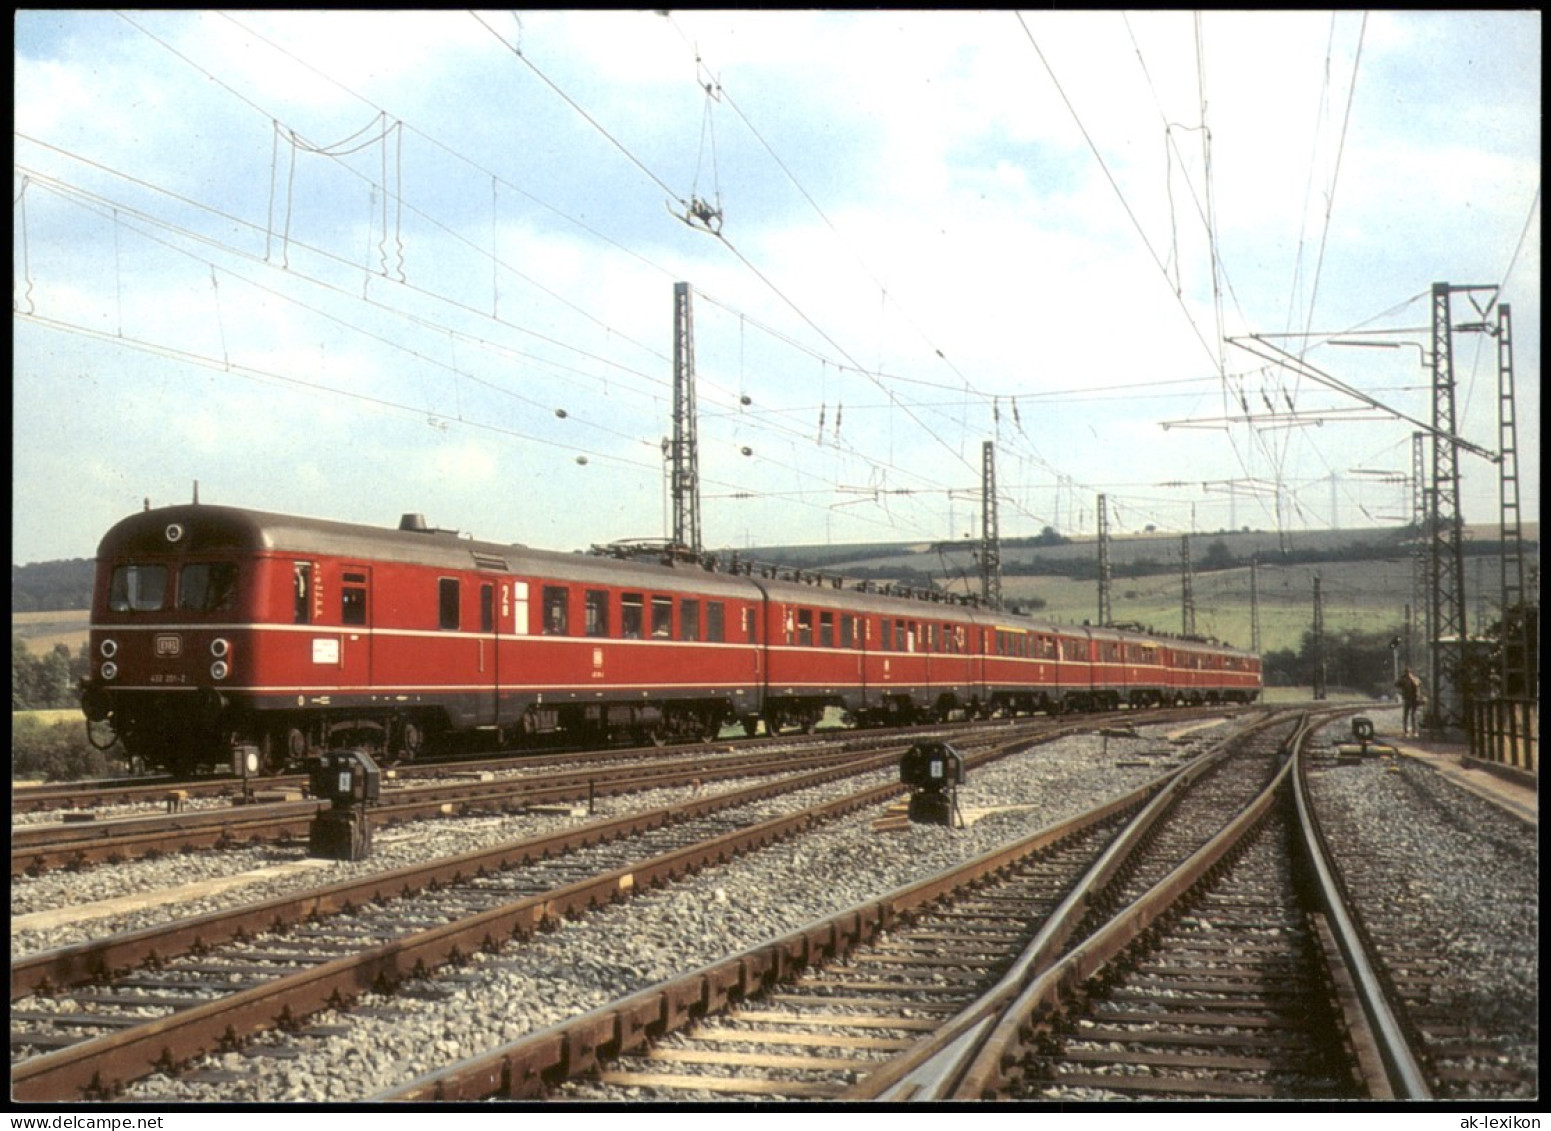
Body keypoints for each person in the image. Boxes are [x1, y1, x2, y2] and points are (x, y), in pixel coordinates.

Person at [1396, 666, 1422, 737]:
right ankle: (1406, 731)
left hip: (1414, 699)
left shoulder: (1414, 678)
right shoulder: (1403, 679)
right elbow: (1397, 684)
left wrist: (1411, 678)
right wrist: (1402, 679)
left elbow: (1417, 684)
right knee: (1406, 715)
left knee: (1413, 716)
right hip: (1407, 699)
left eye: (1408, 673)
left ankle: (1415, 731)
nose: (1407, 675)